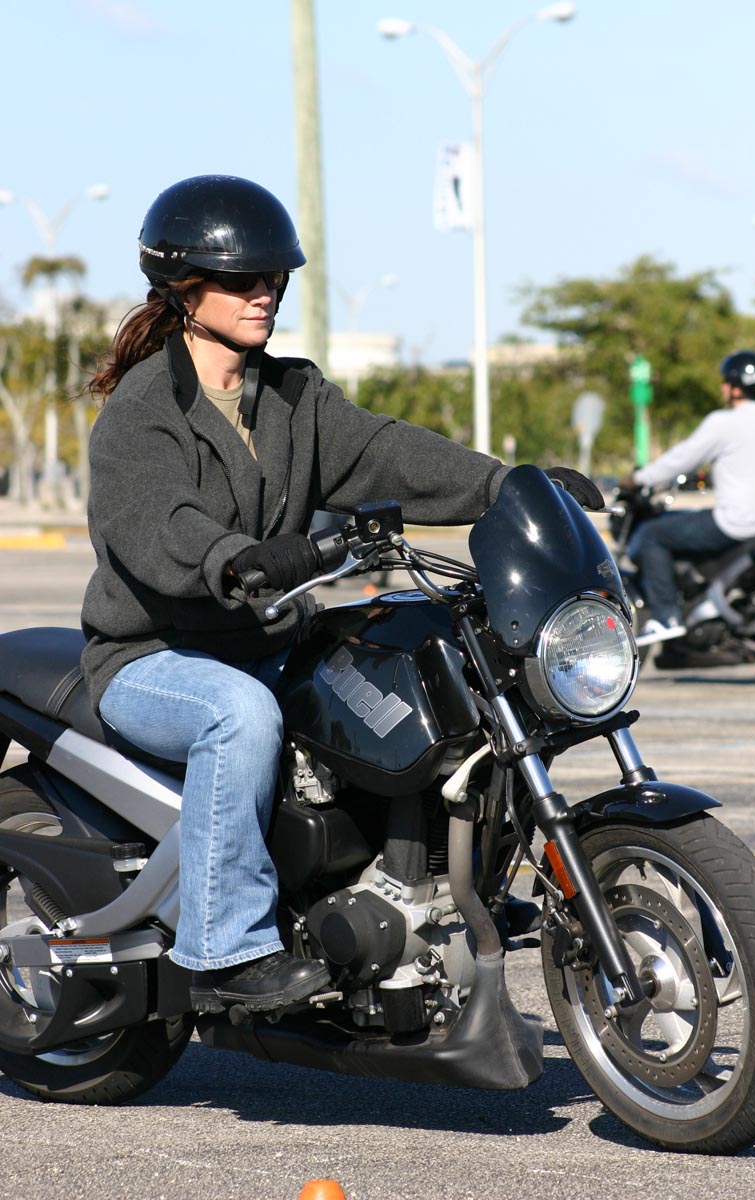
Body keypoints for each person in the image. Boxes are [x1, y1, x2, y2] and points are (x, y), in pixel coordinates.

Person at [80, 174, 604, 1015]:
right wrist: (236, 560)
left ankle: (414, 892)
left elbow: (388, 452)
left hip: (269, 638)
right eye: (241, 280)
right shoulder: (143, 411)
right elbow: (158, 524)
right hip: (155, 655)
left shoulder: (293, 397)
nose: (263, 293)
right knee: (238, 716)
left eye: (273, 278)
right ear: (182, 289)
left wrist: (506, 484)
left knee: (423, 669)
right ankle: (225, 952)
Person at [622, 349, 755, 646]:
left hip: (738, 523)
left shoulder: (724, 422)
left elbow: (682, 458)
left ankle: (666, 617)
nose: (722, 387)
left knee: (652, 534)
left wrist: (638, 479)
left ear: (737, 388)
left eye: (726, 382)